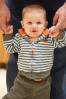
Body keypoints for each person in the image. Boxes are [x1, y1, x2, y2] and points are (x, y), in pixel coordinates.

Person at [0, 0, 66, 99]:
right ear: (22, 24)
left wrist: (59, 34)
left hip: (43, 83)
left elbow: (61, 43)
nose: (34, 26)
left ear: (45, 24)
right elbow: (10, 48)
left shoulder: (49, 38)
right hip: (22, 81)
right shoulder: (19, 38)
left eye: (38, 23)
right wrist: (7, 36)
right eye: (29, 23)